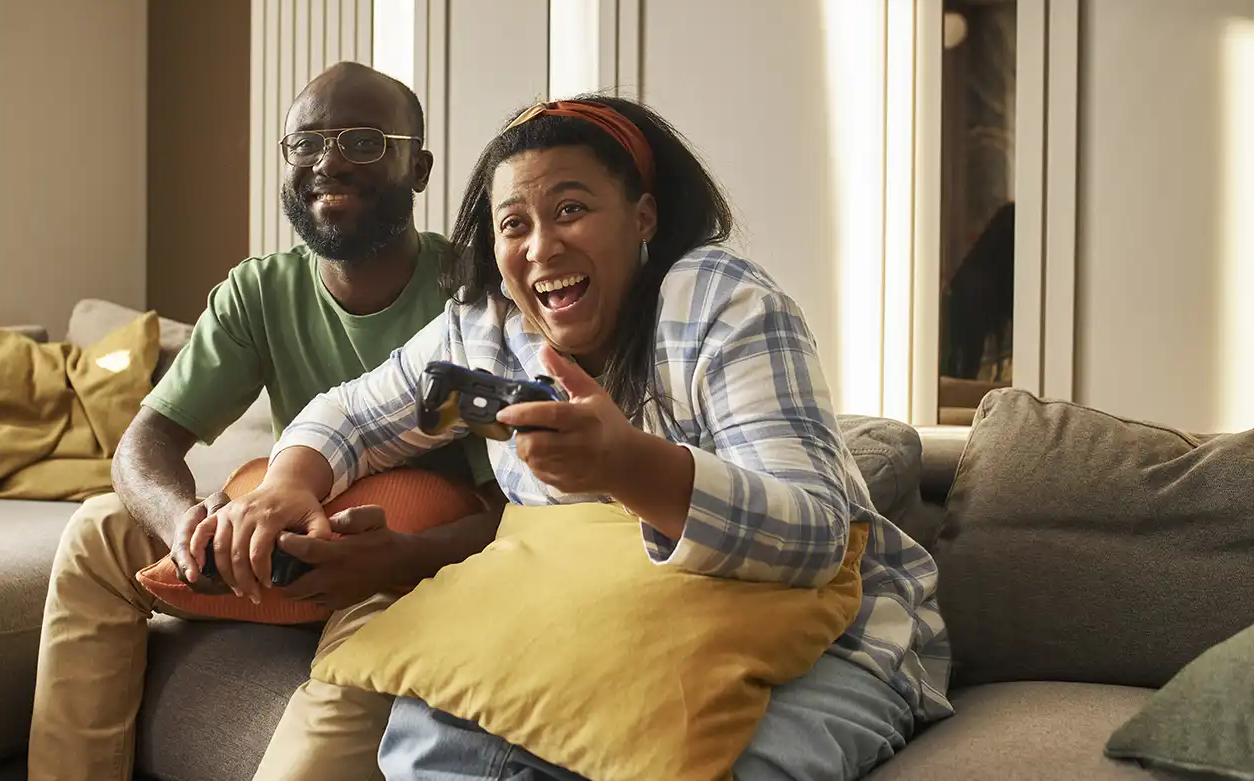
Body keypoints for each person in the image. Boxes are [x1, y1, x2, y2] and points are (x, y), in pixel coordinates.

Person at [194, 95, 955, 780]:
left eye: (570, 210)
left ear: (643, 218)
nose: (541, 247)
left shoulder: (720, 301)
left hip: (831, 642)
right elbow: (353, 415)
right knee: (431, 739)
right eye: (513, 224)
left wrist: (631, 465)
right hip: (612, 628)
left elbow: (816, 535)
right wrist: (289, 482)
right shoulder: (488, 326)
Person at [26, 62, 502, 781]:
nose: (328, 160)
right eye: (305, 142)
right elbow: (144, 444)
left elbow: (518, 515)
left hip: (403, 562)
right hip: (282, 534)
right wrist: (185, 522)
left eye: (364, 141)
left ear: (420, 166)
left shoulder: (473, 298)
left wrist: (399, 557)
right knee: (99, 529)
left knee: (389, 609)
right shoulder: (259, 290)